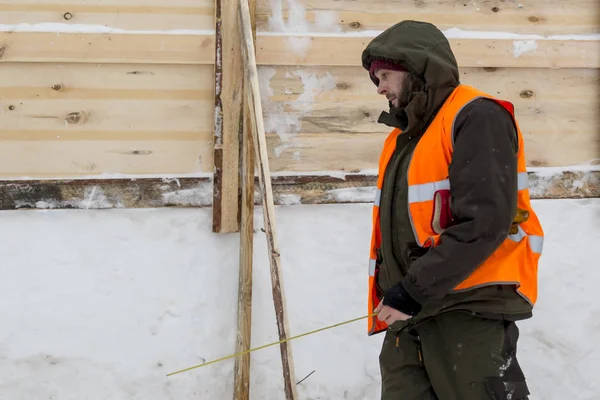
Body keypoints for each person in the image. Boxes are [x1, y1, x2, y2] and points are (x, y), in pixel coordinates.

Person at [361, 20, 545, 399]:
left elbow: (485, 222)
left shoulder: (477, 115)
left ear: (414, 66)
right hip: (411, 312)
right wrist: (398, 294)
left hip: (467, 309)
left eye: (383, 75)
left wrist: (411, 290)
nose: (378, 87)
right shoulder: (402, 139)